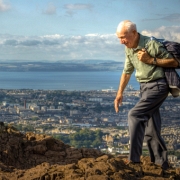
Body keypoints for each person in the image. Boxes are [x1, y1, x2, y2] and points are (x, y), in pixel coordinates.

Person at [114, 20, 178, 169]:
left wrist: (150, 60)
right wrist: (119, 93)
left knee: (134, 115)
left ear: (134, 33)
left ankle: (134, 160)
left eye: (123, 37)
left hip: (158, 85)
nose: (121, 41)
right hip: (144, 87)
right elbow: (127, 71)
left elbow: (174, 62)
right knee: (152, 128)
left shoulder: (151, 44)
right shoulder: (129, 48)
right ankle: (161, 164)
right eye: (119, 38)